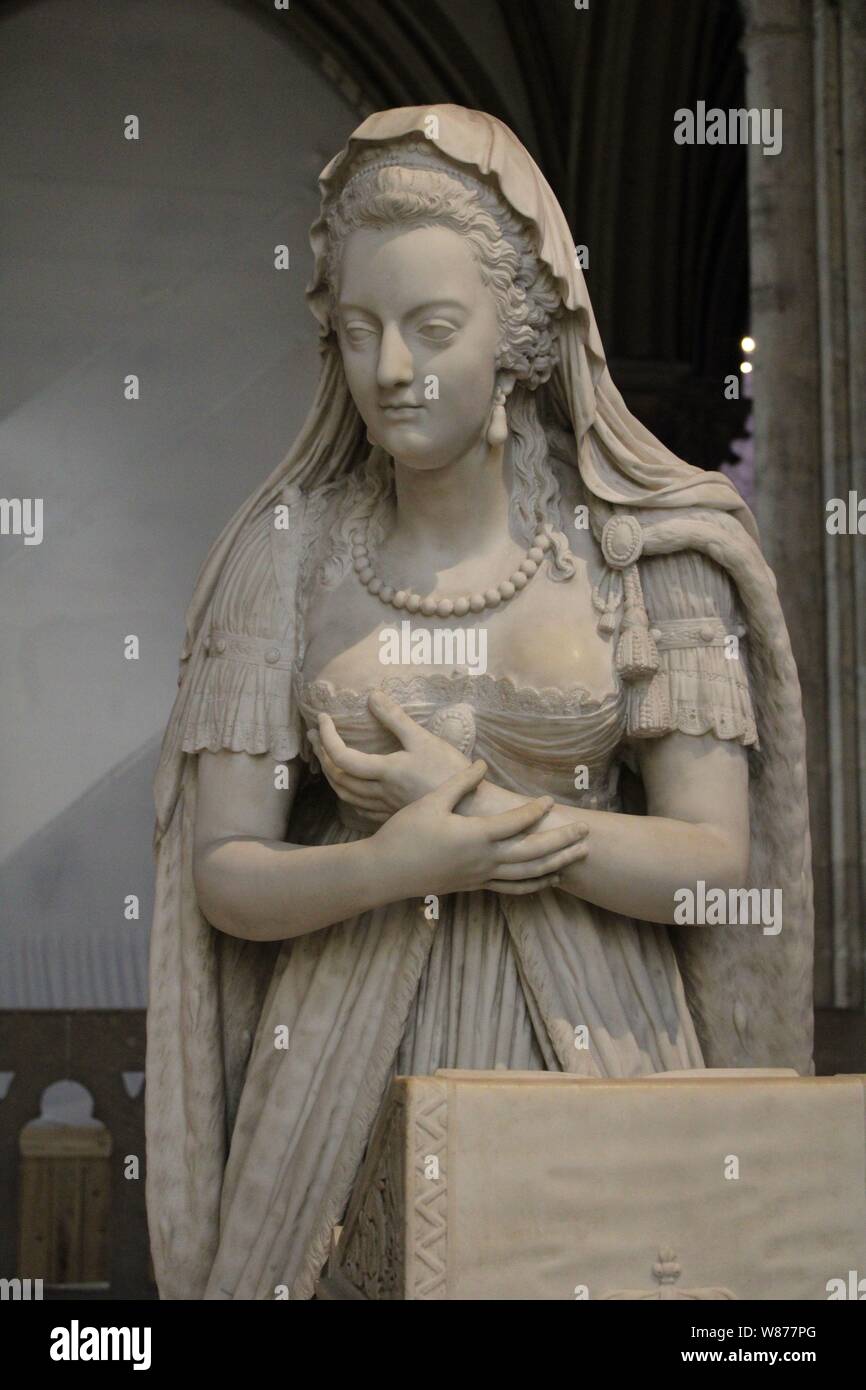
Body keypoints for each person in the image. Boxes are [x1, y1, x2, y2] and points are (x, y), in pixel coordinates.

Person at [145, 105, 813, 1301]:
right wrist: (397, 861)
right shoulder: (283, 558)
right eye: (359, 333)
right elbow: (225, 872)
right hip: (341, 1058)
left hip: (596, 1043)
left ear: (514, 333)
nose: (390, 370)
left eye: (429, 328)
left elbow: (714, 861)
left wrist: (467, 816)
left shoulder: (647, 559)